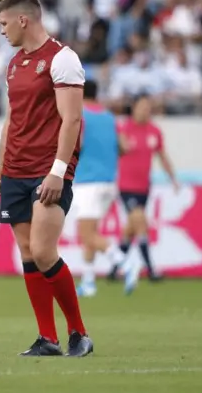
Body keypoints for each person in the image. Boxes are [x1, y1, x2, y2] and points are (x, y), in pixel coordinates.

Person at [0, 0, 93, 358]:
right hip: (15, 170)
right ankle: (47, 338)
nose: (1, 31)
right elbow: (12, 120)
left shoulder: (63, 59)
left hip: (47, 170)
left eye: (3, 24)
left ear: (23, 20)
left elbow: (73, 119)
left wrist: (58, 172)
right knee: (29, 254)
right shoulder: (14, 64)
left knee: (45, 251)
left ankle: (79, 332)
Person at [72, 80, 140, 298]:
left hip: (88, 182)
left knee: (87, 236)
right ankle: (89, 282)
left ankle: (126, 263)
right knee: (92, 233)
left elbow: (76, 144)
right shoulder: (109, 117)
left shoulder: (80, 115)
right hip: (109, 182)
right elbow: (124, 147)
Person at [107, 94, 178, 282]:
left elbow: (162, 156)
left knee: (131, 229)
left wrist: (173, 179)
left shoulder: (154, 131)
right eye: (143, 106)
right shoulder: (124, 128)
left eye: (149, 107)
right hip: (126, 187)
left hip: (144, 188)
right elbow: (112, 153)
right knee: (140, 221)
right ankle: (151, 269)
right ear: (134, 107)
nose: (146, 110)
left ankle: (114, 269)